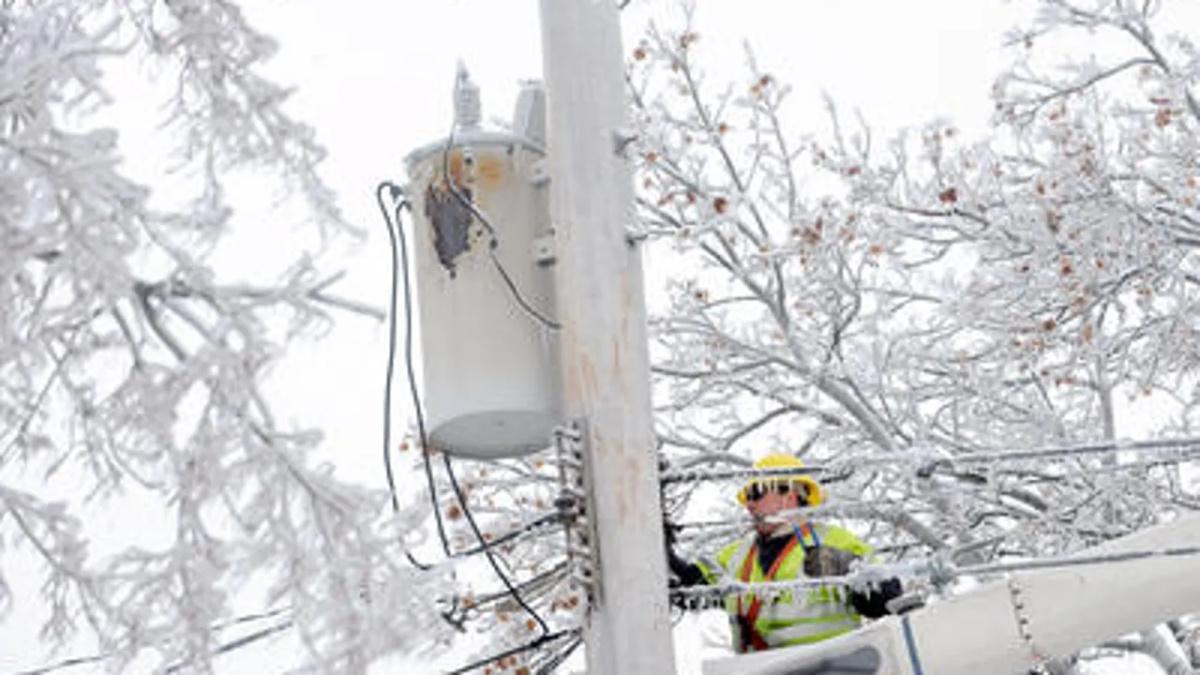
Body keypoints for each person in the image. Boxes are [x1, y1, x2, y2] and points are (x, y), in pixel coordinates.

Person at [666, 453, 902, 654]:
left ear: (789, 496)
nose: (749, 504)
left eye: (756, 493)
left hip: (831, 667)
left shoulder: (835, 541)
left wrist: (846, 567)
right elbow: (691, 588)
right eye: (747, 497)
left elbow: (889, 598)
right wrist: (662, 546)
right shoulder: (738, 554)